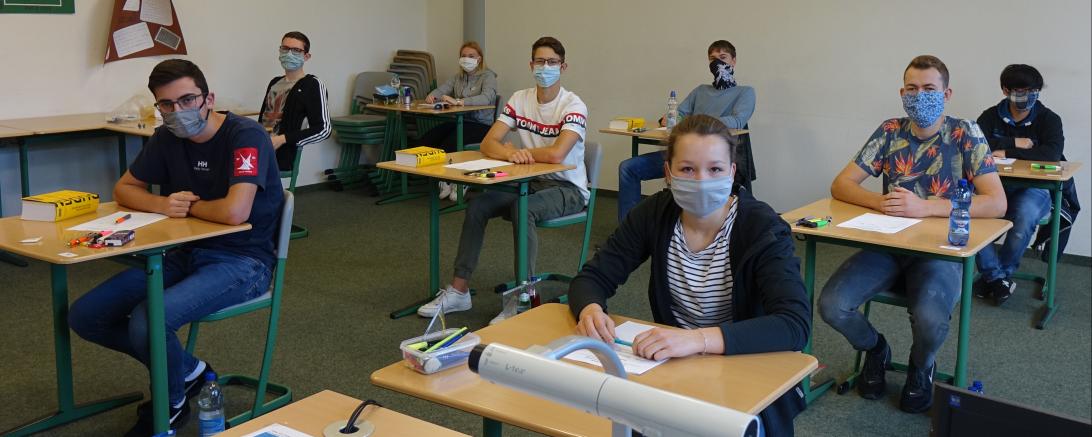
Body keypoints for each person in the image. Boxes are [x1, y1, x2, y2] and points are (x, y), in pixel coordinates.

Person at [69, 59, 284, 436]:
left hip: (243, 261)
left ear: (208, 98)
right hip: (184, 252)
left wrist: (188, 205)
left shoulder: (246, 136)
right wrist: (162, 204)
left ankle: (169, 404)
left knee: (149, 319)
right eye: (166, 105)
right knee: (86, 316)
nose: (178, 111)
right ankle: (188, 372)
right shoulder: (167, 137)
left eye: (187, 100)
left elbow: (236, 212)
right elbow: (123, 189)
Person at [569, 114, 809, 436]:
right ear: (668, 173)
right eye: (687, 169)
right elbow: (592, 278)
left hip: (744, 368)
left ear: (732, 172)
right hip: (674, 367)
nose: (701, 181)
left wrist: (697, 339)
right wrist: (591, 309)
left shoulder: (761, 227)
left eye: (715, 169)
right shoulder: (654, 213)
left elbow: (793, 324)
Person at [819, 55, 1006, 414]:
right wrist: (880, 201)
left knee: (930, 319)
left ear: (947, 93)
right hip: (888, 244)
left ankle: (921, 367)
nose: (920, 96)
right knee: (832, 306)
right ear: (902, 92)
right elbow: (841, 184)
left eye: (930, 89)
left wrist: (926, 207)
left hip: (939, 251)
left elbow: (995, 203)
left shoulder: (965, 133)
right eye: (912, 89)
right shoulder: (891, 131)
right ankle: (876, 349)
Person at [416, 36, 588, 325]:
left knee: (524, 209)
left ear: (563, 67)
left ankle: (525, 297)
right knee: (479, 204)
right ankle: (459, 290)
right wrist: (512, 154)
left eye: (552, 62)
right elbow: (488, 143)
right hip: (530, 182)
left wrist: (518, 152)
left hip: (567, 188)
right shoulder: (520, 99)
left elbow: (558, 154)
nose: (545, 67)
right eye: (540, 62)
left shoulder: (573, 105)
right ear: (531, 65)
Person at [616, 40, 756, 222]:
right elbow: (679, 113)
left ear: (734, 61)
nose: (717, 64)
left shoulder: (745, 92)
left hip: (715, 162)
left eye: (723, 58)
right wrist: (671, 118)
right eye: (712, 59)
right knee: (629, 168)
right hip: (683, 157)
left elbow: (737, 120)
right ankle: (628, 230)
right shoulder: (701, 91)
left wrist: (698, 122)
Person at [974, 64, 1065, 305]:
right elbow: (976, 145)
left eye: (1033, 90)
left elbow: (1052, 154)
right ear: (1005, 90)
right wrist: (1015, 142)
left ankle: (999, 275)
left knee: (1023, 216)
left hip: (1034, 188)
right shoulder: (990, 116)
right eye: (1020, 90)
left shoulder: (1049, 119)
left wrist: (1005, 150)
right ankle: (996, 279)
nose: (1028, 96)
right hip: (995, 186)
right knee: (968, 213)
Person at [421, 41, 499, 200]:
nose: (466, 59)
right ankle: (444, 179)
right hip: (459, 121)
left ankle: (458, 180)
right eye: (463, 56)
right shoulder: (458, 77)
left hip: (481, 125)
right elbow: (441, 90)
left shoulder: (488, 76)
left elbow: (487, 97)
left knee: (448, 144)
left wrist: (460, 102)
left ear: (479, 59)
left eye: (471, 56)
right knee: (428, 140)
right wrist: (432, 96)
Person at [258, 31, 332, 178]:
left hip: (280, 155)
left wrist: (282, 139)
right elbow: (264, 120)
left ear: (306, 56)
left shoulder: (312, 85)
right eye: (285, 49)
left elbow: (323, 130)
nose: (289, 53)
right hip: (259, 147)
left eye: (296, 50)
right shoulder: (274, 82)